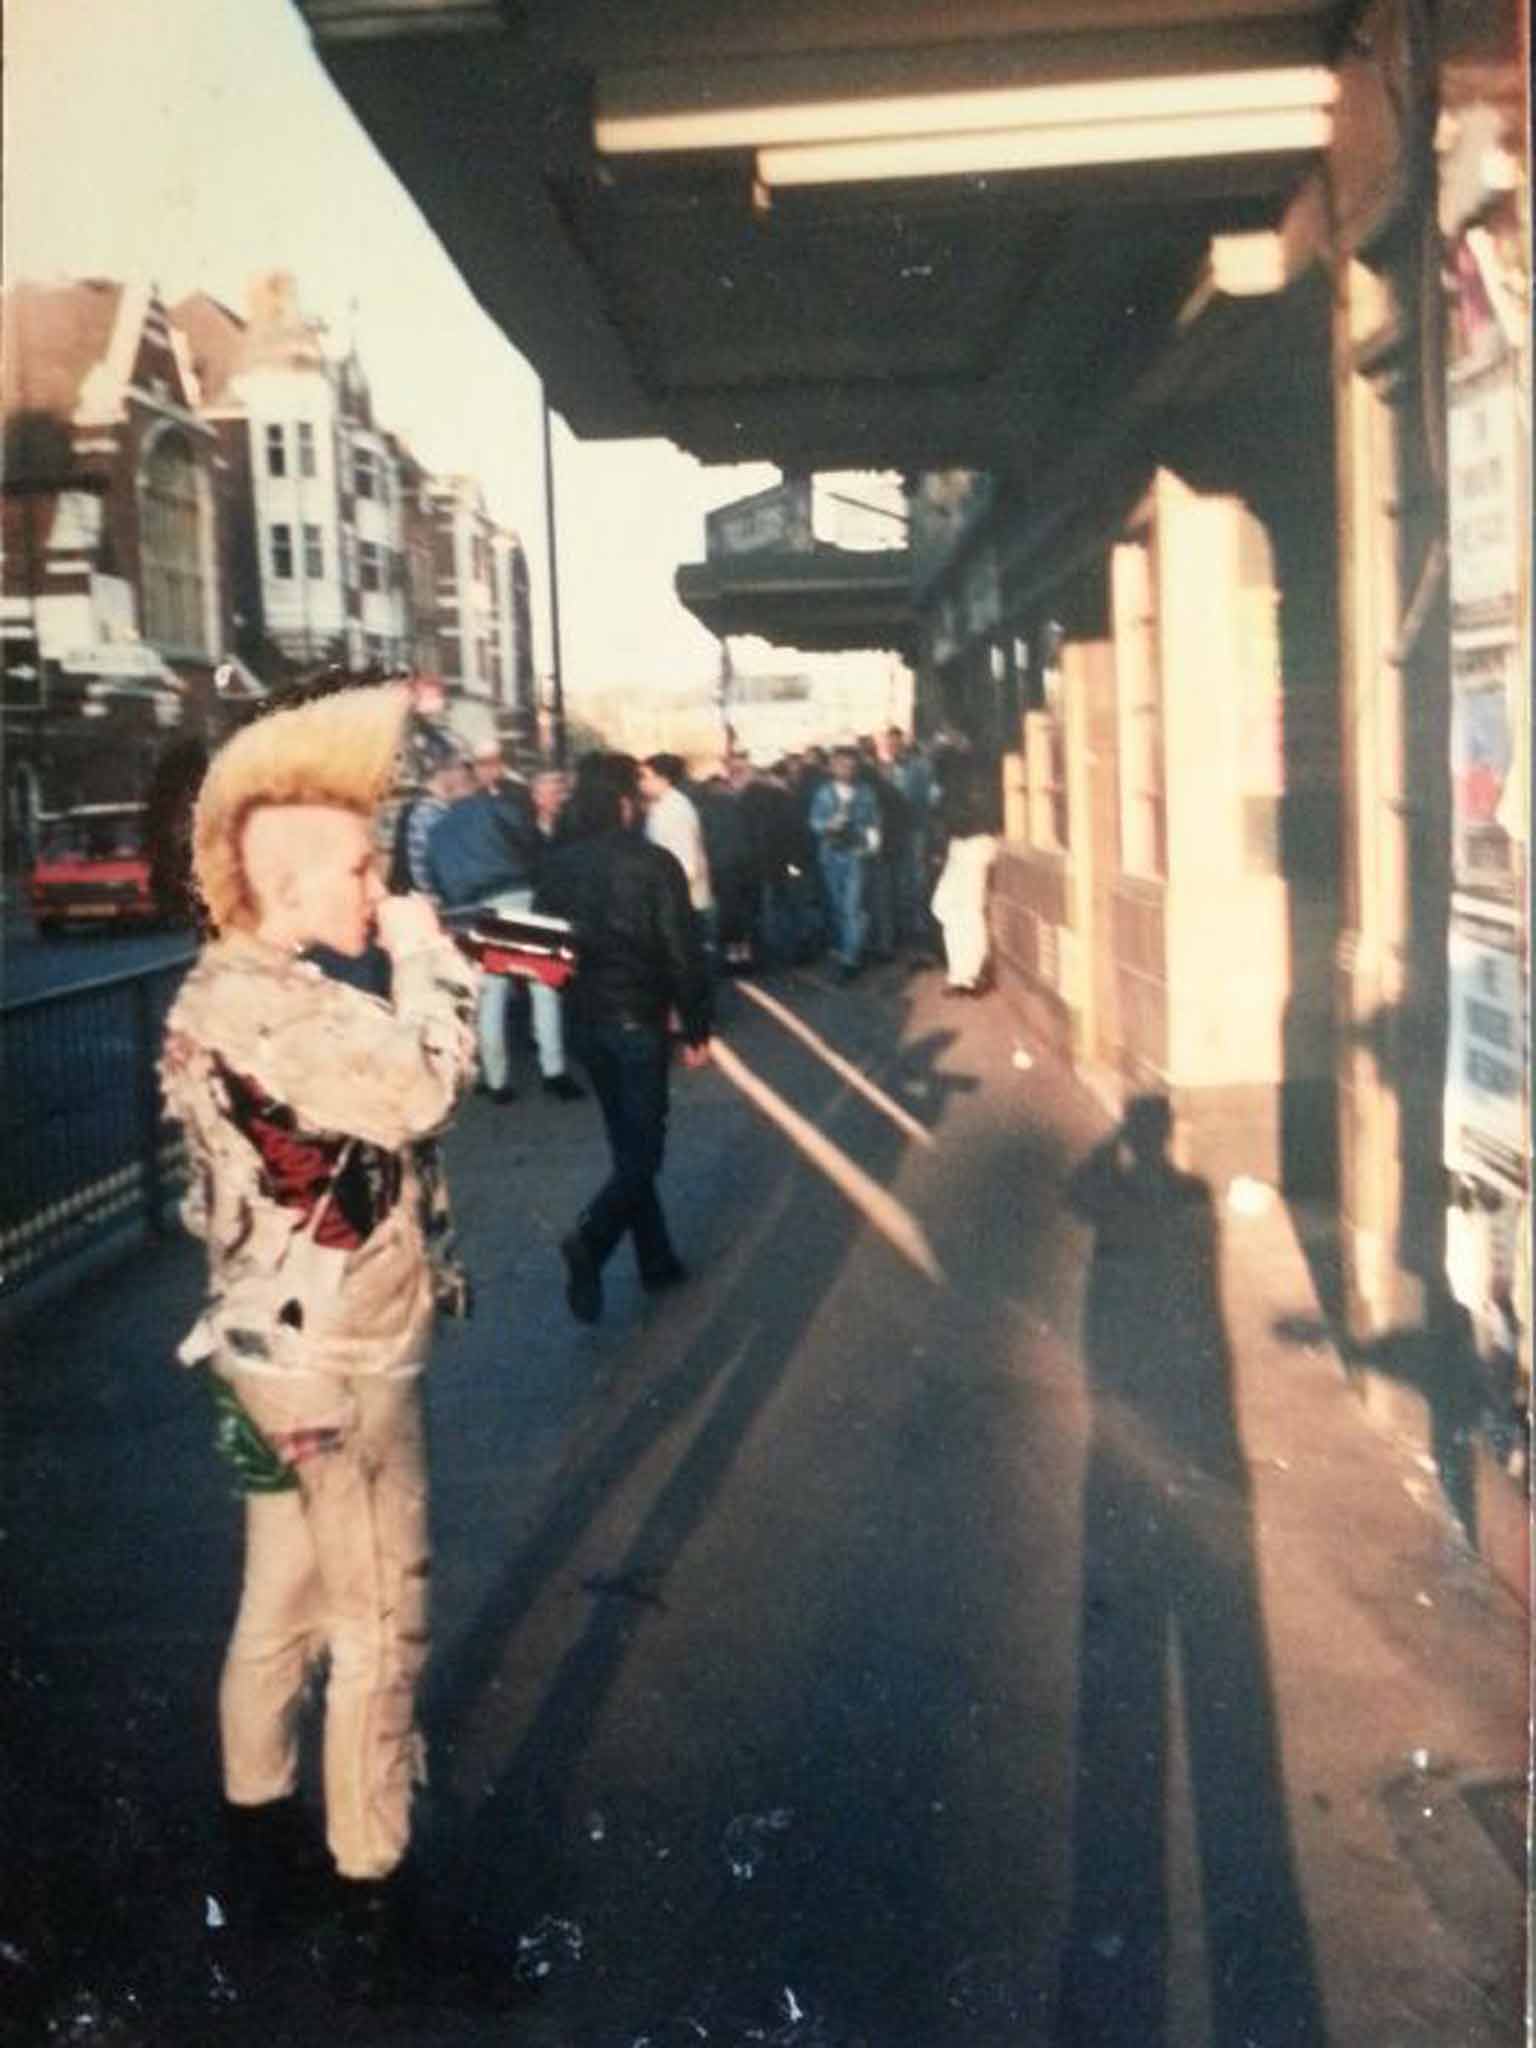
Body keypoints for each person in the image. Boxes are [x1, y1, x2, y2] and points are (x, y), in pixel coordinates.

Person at [158, 683, 481, 1999]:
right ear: (286, 880)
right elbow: (414, 1090)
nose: (377, 881)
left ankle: (258, 1841)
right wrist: (426, 956)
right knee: (378, 1621)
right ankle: (375, 1895)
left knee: (284, 1604)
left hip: (274, 1343)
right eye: (358, 866)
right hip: (330, 1363)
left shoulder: (256, 987)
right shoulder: (263, 1003)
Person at [534, 752, 712, 1324]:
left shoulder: (557, 867)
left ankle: (655, 1257)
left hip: (586, 1019)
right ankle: (593, 1237)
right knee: (646, 1148)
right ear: (623, 802)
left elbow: (545, 948)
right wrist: (696, 1024)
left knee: (626, 1141)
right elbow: (682, 951)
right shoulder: (655, 864)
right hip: (640, 1016)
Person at [427, 740, 584, 1102]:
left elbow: (436, 876)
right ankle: (553, 1070)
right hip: (516, 896)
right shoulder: (501, 809)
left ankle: (497, 1080)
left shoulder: (440, 829)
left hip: (472, 909)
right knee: (542, 987)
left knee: (491, 995)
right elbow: (533, 846)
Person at [930, 731, 1000, 996]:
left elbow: (968, 815)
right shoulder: (959, 778)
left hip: (974, 842)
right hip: (964, 843)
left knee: (966, 909)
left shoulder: (966, 780)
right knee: (947, 906)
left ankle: (970, 974)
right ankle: (963, 972)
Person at [808, 743, 880, 980]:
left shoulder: (865, 791)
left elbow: (873, 822)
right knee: (838, 906)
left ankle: (851, 959)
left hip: (855, 854)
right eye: (841, 765)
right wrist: (829, 824)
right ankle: (848, 948)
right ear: (832, 767)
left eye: (850, 766)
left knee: (853, 907)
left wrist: (871, 845)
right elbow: (814, 822)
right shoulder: (823, 793)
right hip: (830, 855)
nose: (846, 770)